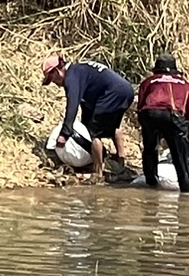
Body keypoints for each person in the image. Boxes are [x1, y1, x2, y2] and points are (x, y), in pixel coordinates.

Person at [42, 53, 134, 182]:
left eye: (53, 80)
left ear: (57, 71)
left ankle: (97, 174)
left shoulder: (71, 77)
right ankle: (120, 162)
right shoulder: (79, 70)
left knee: (94, 134)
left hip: (111, 93)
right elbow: (87, 104)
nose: (56, 85)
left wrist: (64, 133)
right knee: (114, 126)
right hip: (126, 90)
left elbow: (72, 106)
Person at [135, 53, 189, 194]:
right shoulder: (185, 83)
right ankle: (188, 190)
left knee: (150, 148)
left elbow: (140, 107)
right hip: (174, 115)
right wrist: (186, 131)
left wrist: (145, 126)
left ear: (156, 70)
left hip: (150, 114)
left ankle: (151, 184)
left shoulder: (149, 81)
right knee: (182, 155)